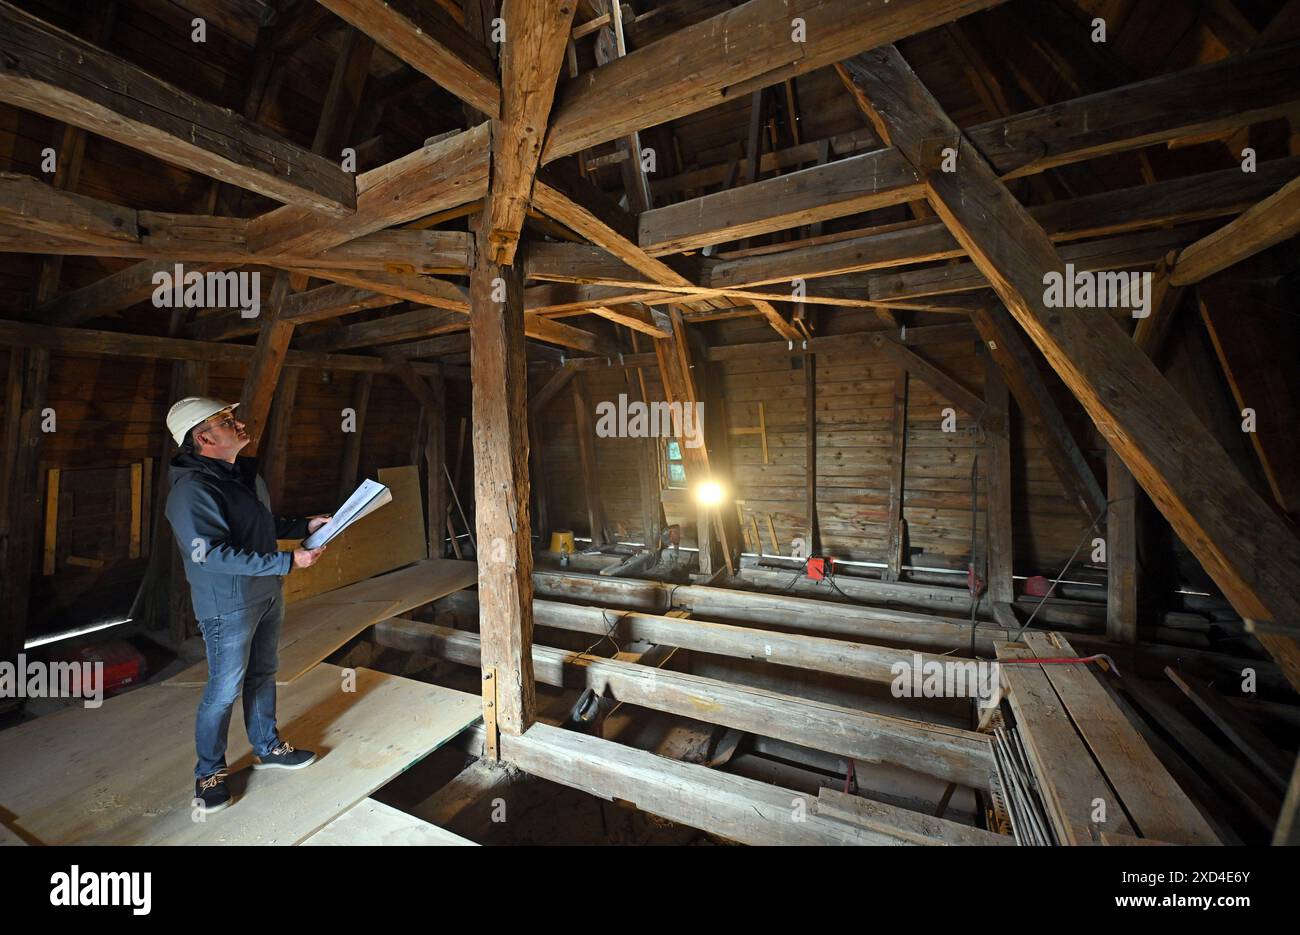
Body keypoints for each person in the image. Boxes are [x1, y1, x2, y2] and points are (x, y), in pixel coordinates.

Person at [163, 397, 329, 814]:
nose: (238, 424)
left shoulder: (239, 476)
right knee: (223, 690)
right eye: (226, 421)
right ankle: (210, 773)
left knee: (263, 673)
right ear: (203, 438)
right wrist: (286, 561)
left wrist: (302, 526)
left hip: (265, 592)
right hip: (228, 604)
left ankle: (268, 747)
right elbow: (211, 553)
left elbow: (259, 526)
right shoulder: (192, 491)